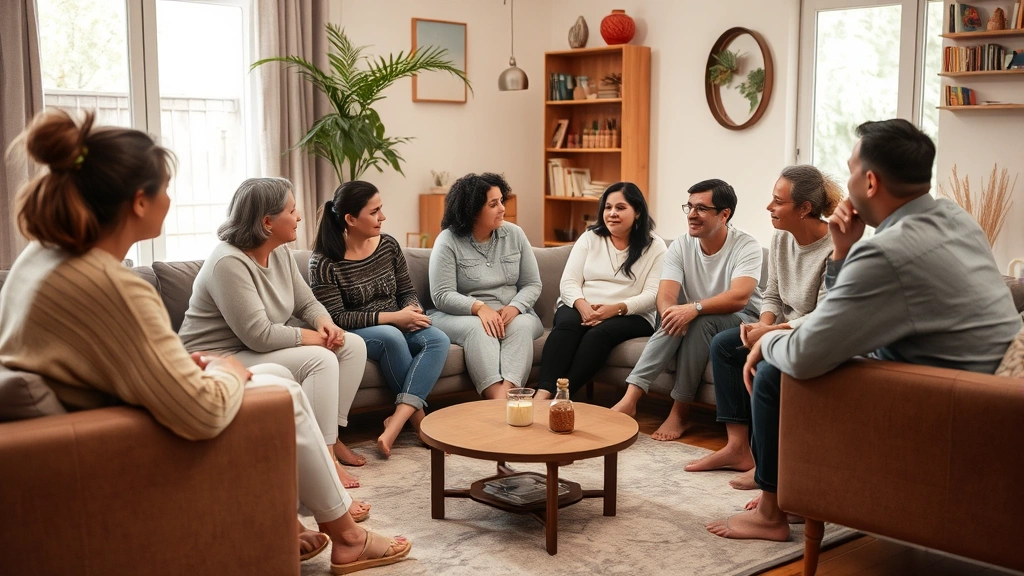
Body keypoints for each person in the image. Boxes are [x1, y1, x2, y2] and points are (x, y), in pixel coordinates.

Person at [0, 110, 410, 571]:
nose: (169, 199)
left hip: (95, 422)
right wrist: (224, 370)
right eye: (166, 188)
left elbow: (116, 363)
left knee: (273, 375)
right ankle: (349, 537)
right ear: (139, 201)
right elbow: (201, 409)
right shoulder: (113, 286)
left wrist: (192, 365)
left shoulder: (40, 259)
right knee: (280, 389)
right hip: (116, 443)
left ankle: (286, 519)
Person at [706, 119, 1023, 542]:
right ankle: (798, 492)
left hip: (948, 403)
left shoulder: (888, 252)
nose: (846, 180)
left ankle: (771, 513)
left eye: (852, 169)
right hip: (982, 385)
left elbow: (805, 353)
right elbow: (841, 313)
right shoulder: (954, 217)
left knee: (773, 374)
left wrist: (771, 342)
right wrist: (843, 252)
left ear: (870, 182)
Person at [178, 177, 369, 492]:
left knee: (353, 346)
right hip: (220, 356)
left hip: (252, 347)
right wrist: (318, 339)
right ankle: (321, 461)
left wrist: (325, 323)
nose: (300, 217)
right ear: (267, 222)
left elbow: (305, 300)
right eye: (292, 211)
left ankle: (330, 441)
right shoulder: (228, 262)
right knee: (321, 359)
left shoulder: (279, 251)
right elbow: (259, 335)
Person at [687, 166, 842, 491]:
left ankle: (766, 463)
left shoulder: (835, 249)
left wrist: (773, 332)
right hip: (781, 328)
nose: (768, 208)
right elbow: (772, 293)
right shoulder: (782, 237)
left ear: (804, 208)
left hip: (809, 335)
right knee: (725, 344)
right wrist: (763, 324)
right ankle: (737, 448)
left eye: (777, 202)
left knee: (763, 363)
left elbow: (827, 314)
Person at [611, 179, 763, 442]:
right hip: (696, 317)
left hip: (742, 319)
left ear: (724, 214)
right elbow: (666, 296)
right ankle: (630, 399)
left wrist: (693, 308)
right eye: (689, 207)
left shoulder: (746, 246)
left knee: (698, 321)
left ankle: (680, 411)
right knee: (677, 316)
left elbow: (739, 297)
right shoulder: (681, 246)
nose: (692, 215)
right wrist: (675, 313)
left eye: (701, 209)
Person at [309, 180, 450, 458]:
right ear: (350, 219)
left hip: (398, 319)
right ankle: (419, 421)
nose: (382, 217)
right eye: (374, 212)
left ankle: (395, 421)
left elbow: (406, 289)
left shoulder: (388, 245)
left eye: (381, 209)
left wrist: (412, 311)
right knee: (390, 337)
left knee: (438, 339)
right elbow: (337, 317)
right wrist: (393, 318)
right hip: (362, 329)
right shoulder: (324, 262)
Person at [535, 182, 667, 400]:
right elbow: (568, 282)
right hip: (581, 304)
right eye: (608, 207)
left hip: (631, 314)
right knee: (567, 325)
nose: (612, 213)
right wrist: (583, 307)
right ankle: (543, 393)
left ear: (638, 212)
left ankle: (562, 397)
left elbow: (653, 295)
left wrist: (614, 310)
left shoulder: (655, 246)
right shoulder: (590, 237)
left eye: (620, 208)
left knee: (599, 334)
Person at [427, 172, 543, 400]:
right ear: (472, 210)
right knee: (480, 328)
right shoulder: (448, 240)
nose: (502, 208)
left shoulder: (515, 234)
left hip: (513, 312)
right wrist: (480, 308)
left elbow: (532, 284)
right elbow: (441, 294)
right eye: (493, 204)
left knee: (520, 327)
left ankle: (506, 395)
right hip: (460, 316)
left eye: (501, 201)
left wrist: (516, 307)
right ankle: (499, 401)